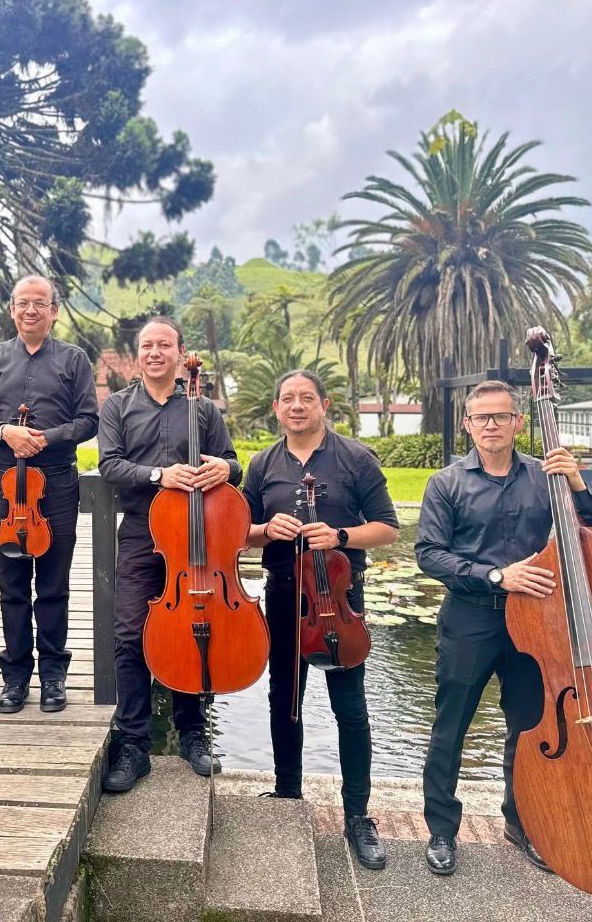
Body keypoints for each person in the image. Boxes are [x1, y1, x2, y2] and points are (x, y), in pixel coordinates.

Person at [415, 379, 592, 876]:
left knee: (527, 728)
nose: (491, 425)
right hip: (470, 618)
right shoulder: (446, 483)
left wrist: (578, 484)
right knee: (451, 726)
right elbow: (429, 554)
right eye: (481, 417)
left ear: (518, 422)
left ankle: (521, 823)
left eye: (500, 416)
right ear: (468, 424)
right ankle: (441, 831)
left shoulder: (547, 477)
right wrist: (497, 576)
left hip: (535, 621)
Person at [243, 370, 399, 871]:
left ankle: (357, 815)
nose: (297, 406)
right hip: (284, 596)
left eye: (306, 398)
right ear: (276, 408)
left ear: (324, 405)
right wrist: (266, 528)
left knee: (349, 707)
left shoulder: (356, 458)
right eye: (287, 398)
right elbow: (241, 532)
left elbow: (388, 528)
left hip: (339, 596)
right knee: (283, 698)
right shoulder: (263, 464)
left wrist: (341, 537)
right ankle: (288, 794)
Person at [97, 317, 240, 792]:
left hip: (199, 536)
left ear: (181, 353)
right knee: (129, 633)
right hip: (143, 531)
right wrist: (160, 476)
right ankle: (134, 742)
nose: (155, 352)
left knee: (194, 627)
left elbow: (232, 462)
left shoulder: (203, 408)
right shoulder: (118, 406)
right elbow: (110, 465)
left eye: (164, 344)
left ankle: (192, 732)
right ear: (138, 354)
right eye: (147, 345)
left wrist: (225, 469)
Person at [0, 276, 98, 714]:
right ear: (11, 310)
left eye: (39, 303)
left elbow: (89, 420)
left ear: (54, 311)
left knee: (53, 584)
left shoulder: (74, 359)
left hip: (57, 482)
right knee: (10, 584)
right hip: (5, 484)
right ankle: (15, 676)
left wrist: (46, 438)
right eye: (23, 303)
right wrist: (5, 431)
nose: (31, 310)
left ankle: (54, 675)